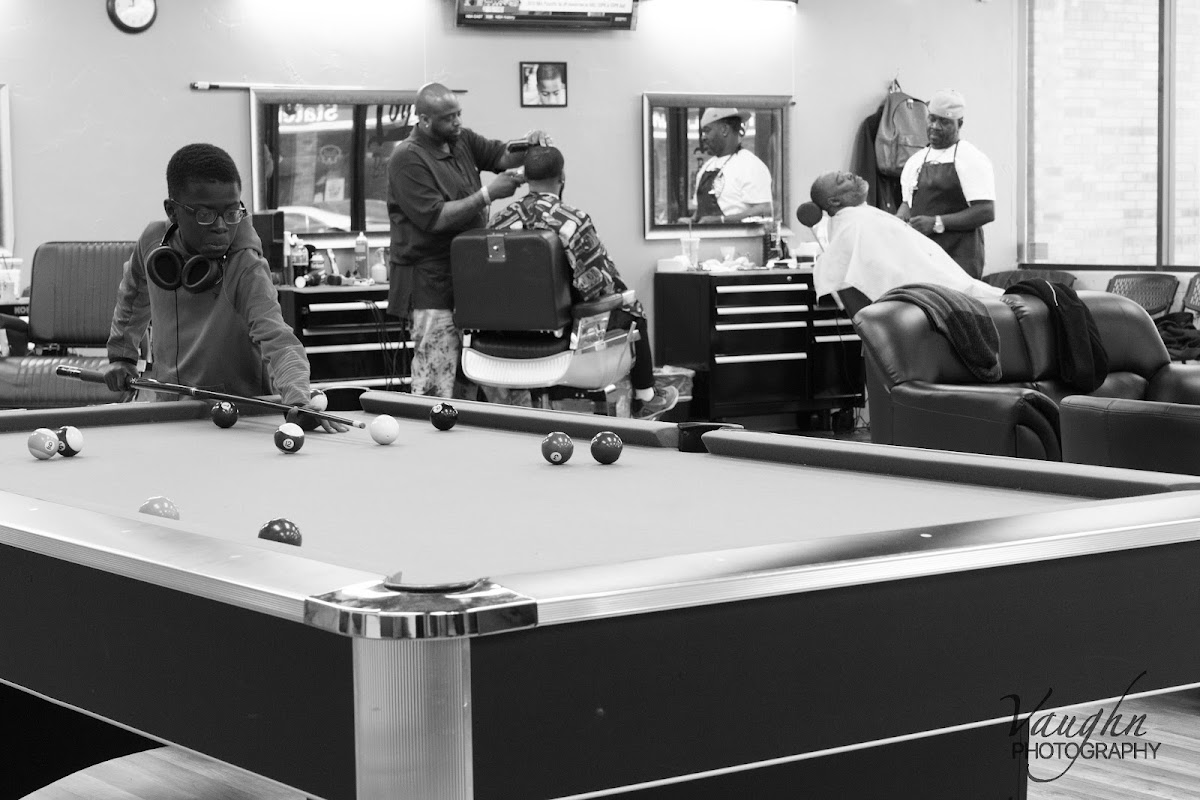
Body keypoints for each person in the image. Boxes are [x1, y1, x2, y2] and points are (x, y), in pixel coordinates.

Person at [104, 143, 345, 432]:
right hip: (170, 409)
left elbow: (278, 338)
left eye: (232, 213)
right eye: (206, 214)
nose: (221, 226)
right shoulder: (153, 243)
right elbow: (132, 299)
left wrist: (298, 398)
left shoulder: (247, 266)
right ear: (172, 211)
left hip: (238, 416)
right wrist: (122, 355)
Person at [491, 146, 679, 420]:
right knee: (633, 309)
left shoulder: (499, 220)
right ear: (562, 177)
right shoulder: (571, 221)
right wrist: (619, 297)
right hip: (566, 331)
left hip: (508, 332)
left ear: (526, 178)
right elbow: (597, 285)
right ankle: (646, 397)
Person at [386, 82, 548, 399]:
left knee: (480, 371)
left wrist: (528, 145)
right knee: (436, 380)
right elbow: (434, 218)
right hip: (430, 283)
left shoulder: (461, 140)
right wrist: (487, 195)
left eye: (458, 114)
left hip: (471, 277)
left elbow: (501, 156)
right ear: (424, 120)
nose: (457, 122)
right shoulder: (406, 158)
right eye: (448, 118)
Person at [808, 170, 1002, 313]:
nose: (851, 175)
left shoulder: (857, 219)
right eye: (842, 180)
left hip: (947, 289)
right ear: (834, 202)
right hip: (941, 296)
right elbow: (896, 275)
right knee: (1006, 300)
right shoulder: (857, 226)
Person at [895, 89, 995, 279]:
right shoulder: (915, 161)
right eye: (932, 119)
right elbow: (907, 203)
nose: (935, 126)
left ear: (960, 124)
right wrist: (898, 221)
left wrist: (937, 222)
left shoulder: (971, 159)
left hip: (959, 258)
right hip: (922, 256)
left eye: (944, 122)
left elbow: (986, 211)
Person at [687, 108, 773, 224]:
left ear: (724, 130)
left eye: (707, 131)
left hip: (738, 236)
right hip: (705, 236)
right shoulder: (707, 167)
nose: (703, 137)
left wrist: (722, 220)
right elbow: (701, 211)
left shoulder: (751, 165)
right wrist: (691, 221)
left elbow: (765, 209)